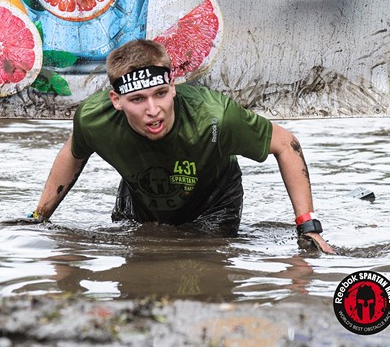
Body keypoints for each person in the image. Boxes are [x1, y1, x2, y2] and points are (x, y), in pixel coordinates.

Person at [30, 39, 335, 254]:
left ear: (173, 86)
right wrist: (38, 218)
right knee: (136, 253)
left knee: (201, 259)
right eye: (138, 99)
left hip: (213, 202)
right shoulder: (94, 119)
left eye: (161, 93)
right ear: (117, 101)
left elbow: (286, 144)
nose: (154, 109)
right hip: (141, 194)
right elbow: (73, 154)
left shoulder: (217, 118)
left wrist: (308, 226)